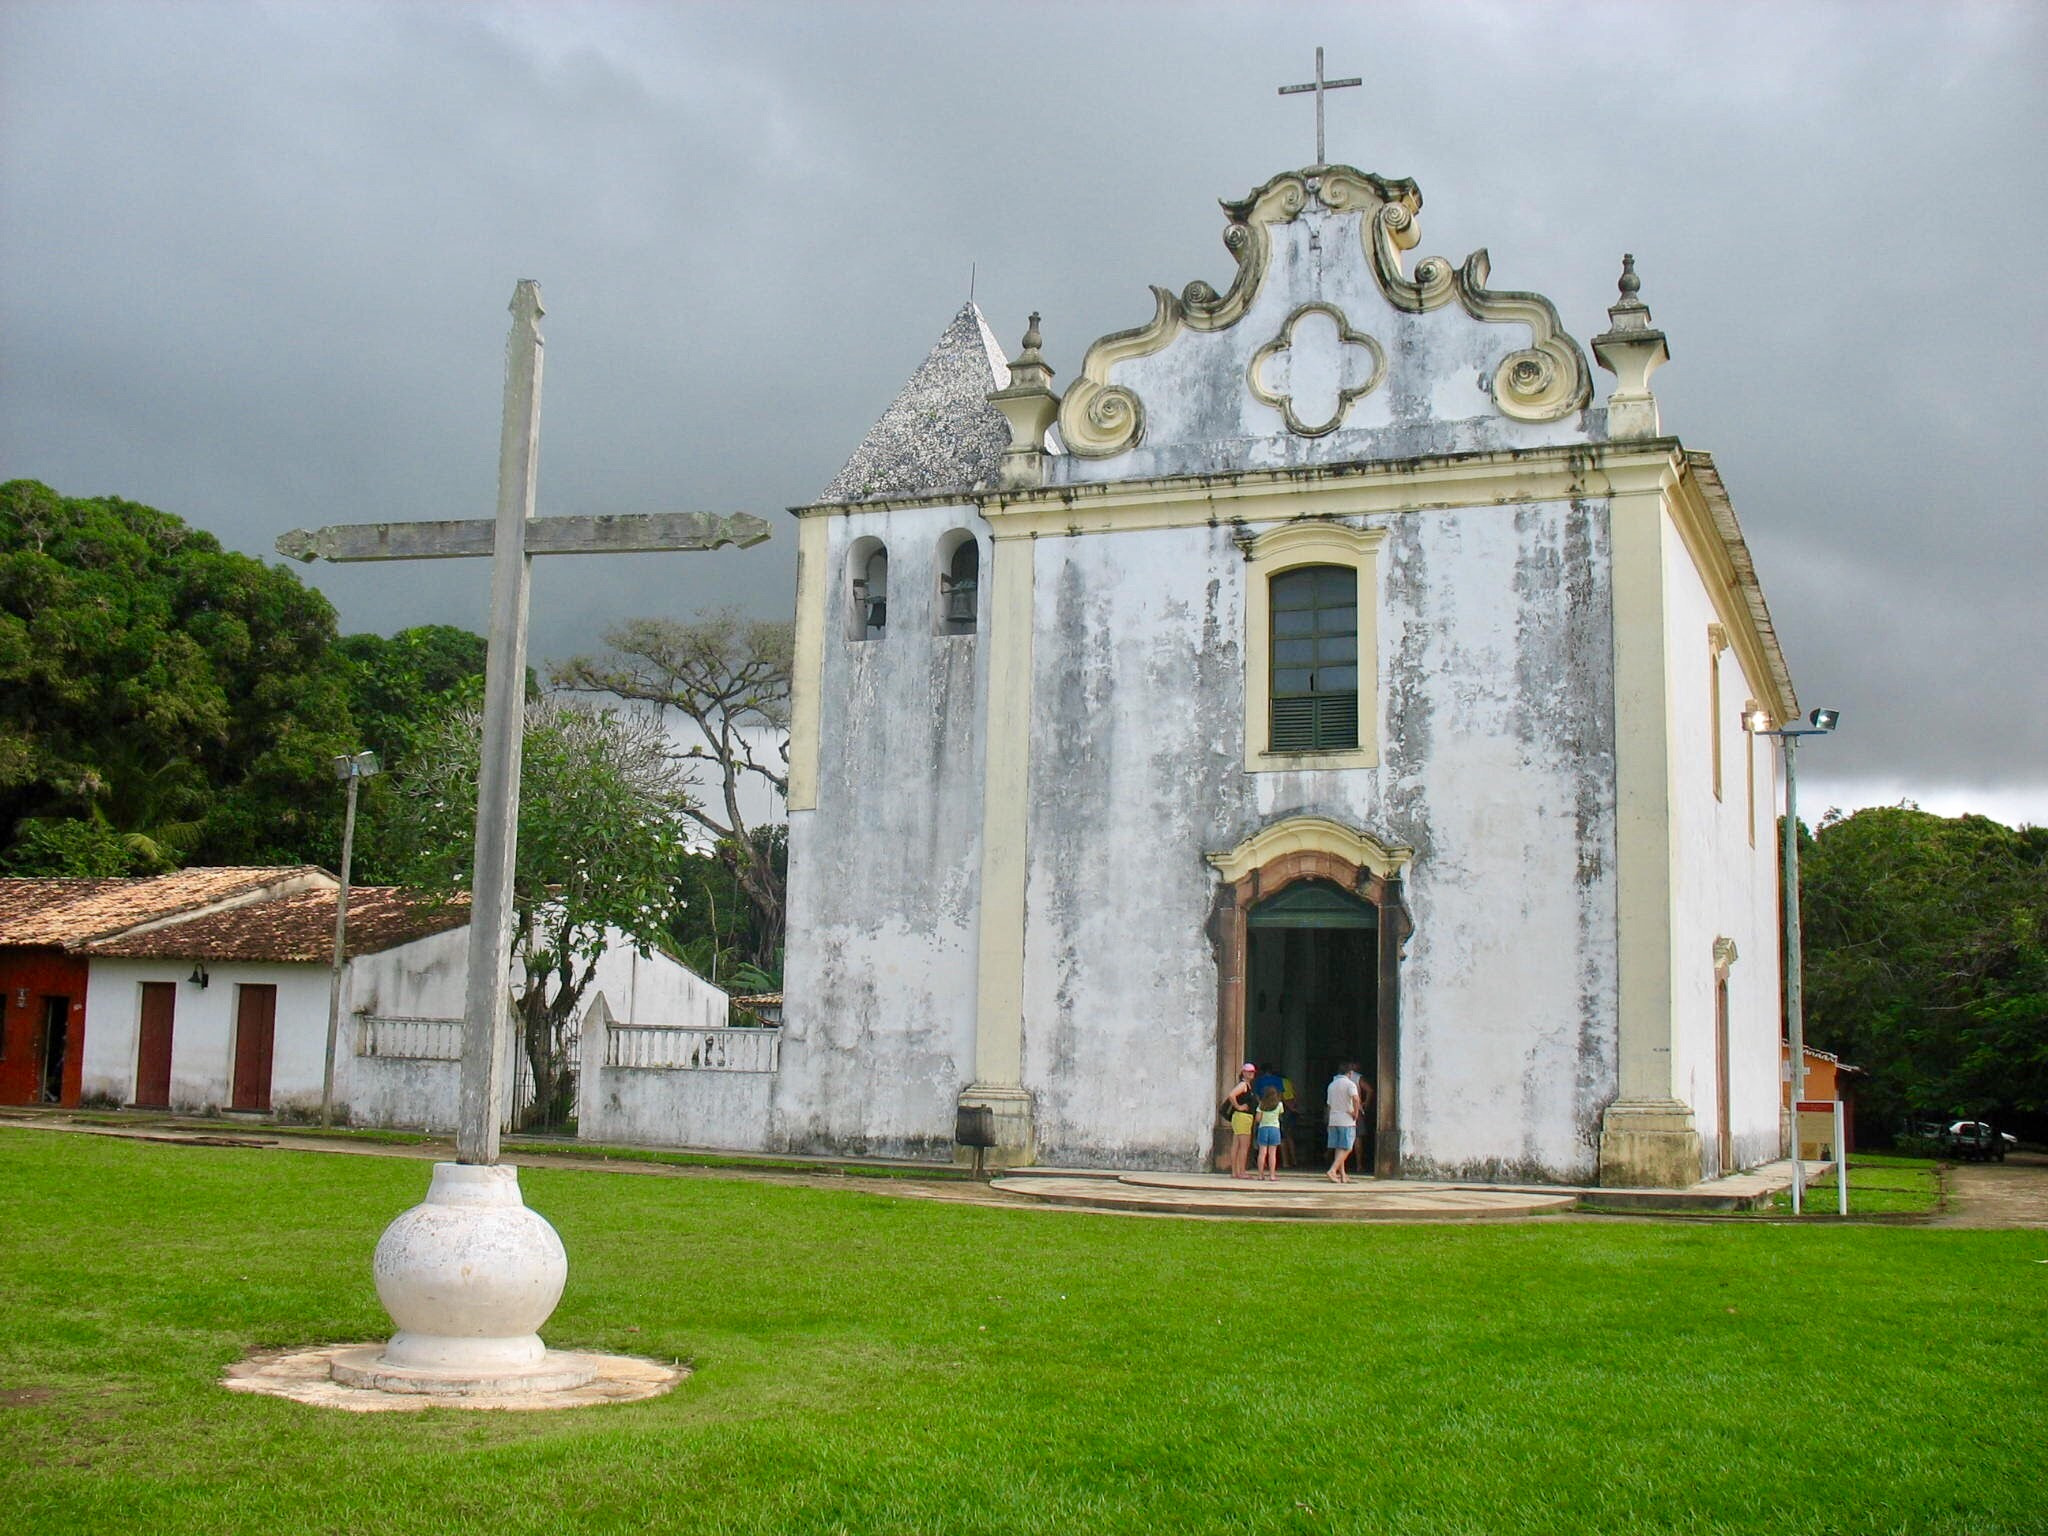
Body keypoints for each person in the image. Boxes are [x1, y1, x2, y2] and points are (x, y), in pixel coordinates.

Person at [1326, 1062, 1364, 1183]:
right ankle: (1333, 1170)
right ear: (1350, 1073)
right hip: (1346, 1120)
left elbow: (1328, 1104)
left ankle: (1342, 1174)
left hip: (1334, 1119)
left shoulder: (1331, 1085)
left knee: (1339, 1147)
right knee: (1348, 1147)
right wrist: (1356, 1113)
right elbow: (1356, 1099)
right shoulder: (1350, 1084)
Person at [1226, 1062, 1257, 1179]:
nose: (1251, 1073)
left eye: (1252, 1072)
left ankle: (1235, 1172)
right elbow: (1231, 1095)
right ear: (1243, 1073)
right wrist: (1238, 1106)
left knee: (1236, 1145)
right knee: (1244, 1146)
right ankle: (1242, 1171)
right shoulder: (1243, 1085)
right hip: (1243, 1116)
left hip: (1240, 1117)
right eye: (1249, 1071)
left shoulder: (1246, 1085)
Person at [1254, 1086, 1284, 1180]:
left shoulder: (1261, 1105)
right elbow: (1280, 1115)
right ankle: (1272, 1175)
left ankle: (1260, 1175)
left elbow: (1258, 1119)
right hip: (1274, 1128)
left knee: (1262, 1152)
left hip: (1263, 1128)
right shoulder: (1279, 1105)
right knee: (1272, 1153)